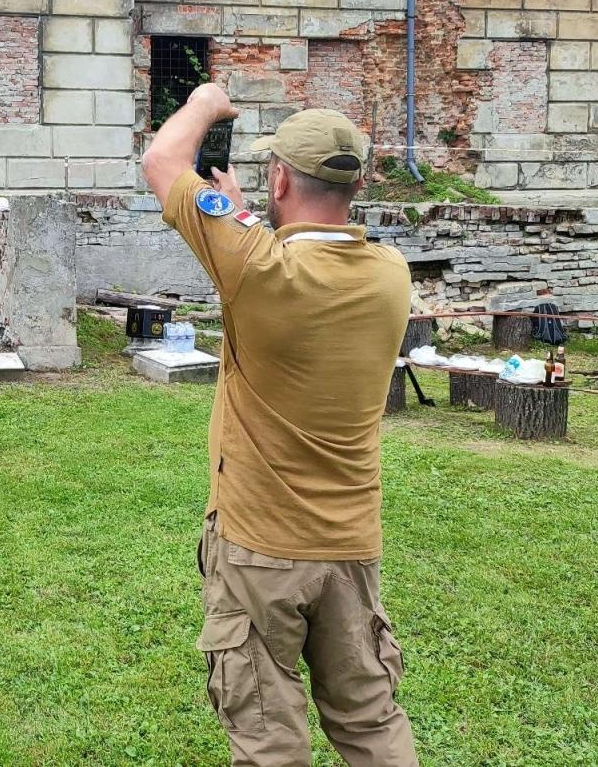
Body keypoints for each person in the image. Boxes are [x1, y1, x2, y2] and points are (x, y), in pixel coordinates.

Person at [140, 84, 418, 766]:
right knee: (370, 719)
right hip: (350, 545)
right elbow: (287, 258)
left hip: (261, 546)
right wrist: (242, 224)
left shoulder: (255, 266)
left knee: (269, 738)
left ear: (282, 177)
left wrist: (206, 100)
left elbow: (161, 161)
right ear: (354, 184)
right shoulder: (390, 274)